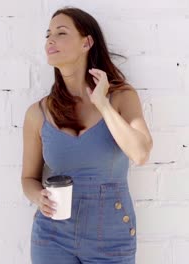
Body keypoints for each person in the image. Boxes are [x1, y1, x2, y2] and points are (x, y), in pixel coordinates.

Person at [20, 6, 153, 264]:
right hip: (52, 235)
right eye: (48, 34)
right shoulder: (38, 113)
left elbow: (141, 153)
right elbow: (28, 178)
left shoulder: (121, 97)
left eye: (61, 32)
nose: (50, 40)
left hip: (111, 235)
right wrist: (38, 196)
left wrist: (102, 104)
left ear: (87, 42)